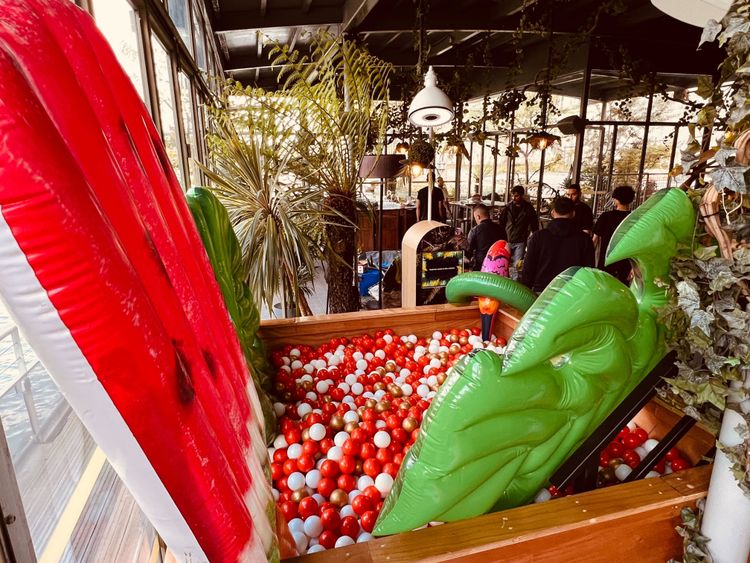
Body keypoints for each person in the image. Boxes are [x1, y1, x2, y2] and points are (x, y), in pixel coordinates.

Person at [521, 196, 595, 293]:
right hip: (572, 293)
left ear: (552, 212)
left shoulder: (538, 237)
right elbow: (589, 271)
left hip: (542, 292)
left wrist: (525, 292)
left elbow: (528, 269)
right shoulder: (585, 239)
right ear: (573, 213)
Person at [593, 185, 635, 285]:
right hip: (626, 262)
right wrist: (635, 267)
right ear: (631, 200)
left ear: (615, 200)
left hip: (606, 260)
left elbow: (594, 240)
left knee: (604, 288)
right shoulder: (634, 219)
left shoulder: (605, 217)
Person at [497, 185, 539, 280]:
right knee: (503, 262)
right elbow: (501, 223)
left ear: (522, 195)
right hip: (507, 239)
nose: (514, 198)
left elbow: (534, 224)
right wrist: (501, 238)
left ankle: (515, 282)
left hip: (520, 241)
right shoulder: (507, 208)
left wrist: (534, 238)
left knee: (517, 264)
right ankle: (503, 280)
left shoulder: (529, 208)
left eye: (516, 196)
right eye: (512, 195)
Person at [467, 204, 506, 271]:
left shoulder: (475, 230)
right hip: (499, 267)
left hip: (481, 267)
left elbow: (469, 251)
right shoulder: (501, 229)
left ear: (478, 217)